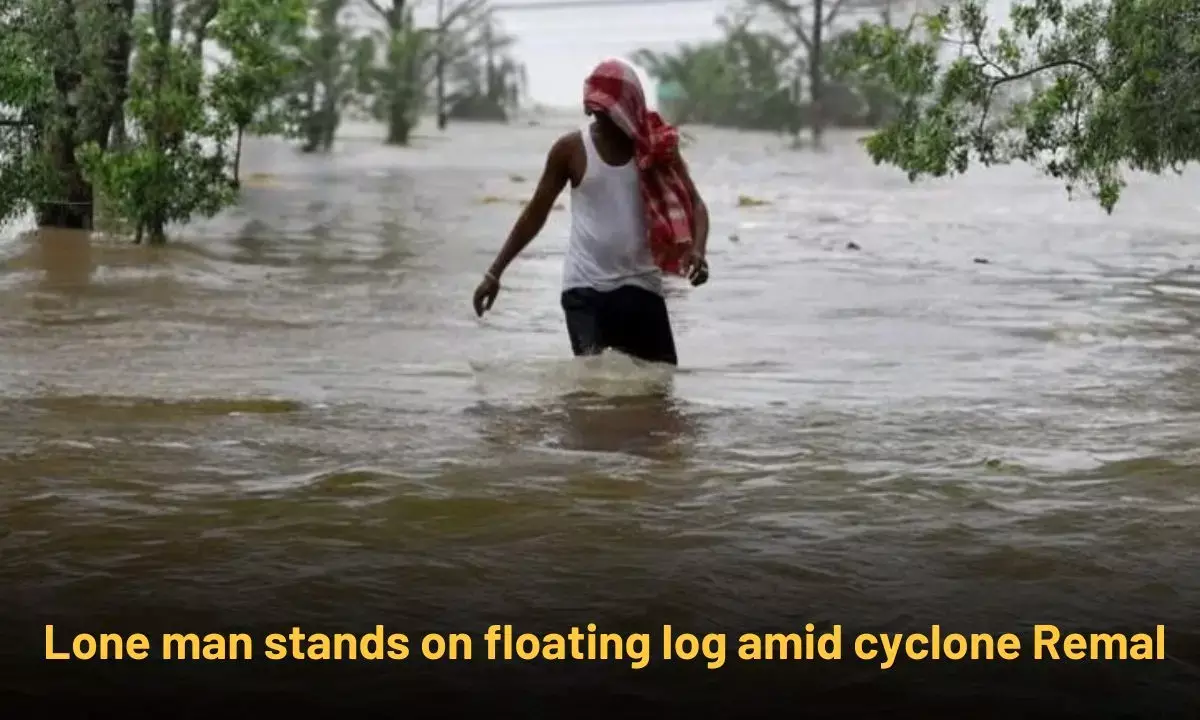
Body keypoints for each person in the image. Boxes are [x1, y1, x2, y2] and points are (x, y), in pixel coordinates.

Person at [472, 58, 710, 367]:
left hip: (642, 286)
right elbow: (535, 213)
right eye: (597, 111)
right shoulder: (570, 151)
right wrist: (494, 273)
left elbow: (696, 204)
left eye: (611, 112)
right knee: (593, 387)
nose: (604, 120)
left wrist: (698, 250)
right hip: (584, 290)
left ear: (631, 109)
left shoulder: (656, 149)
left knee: (659, 388)